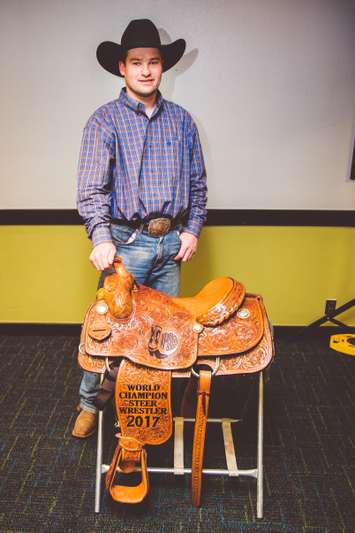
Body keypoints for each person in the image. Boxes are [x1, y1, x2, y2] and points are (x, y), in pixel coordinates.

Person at [72, 19, 207, 438]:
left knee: (162, 334)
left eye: (153, 62)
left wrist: (193, 230)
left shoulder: (183, 122)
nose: (146, 70)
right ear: (122, 67)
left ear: (163, 67)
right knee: (109, 329)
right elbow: (92, 188)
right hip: (126, 245)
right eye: (136, 62)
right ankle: (89, 404)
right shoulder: (104, 121)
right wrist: (100, 237)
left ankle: (150, 409)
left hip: (172, 243)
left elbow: (198, 184)